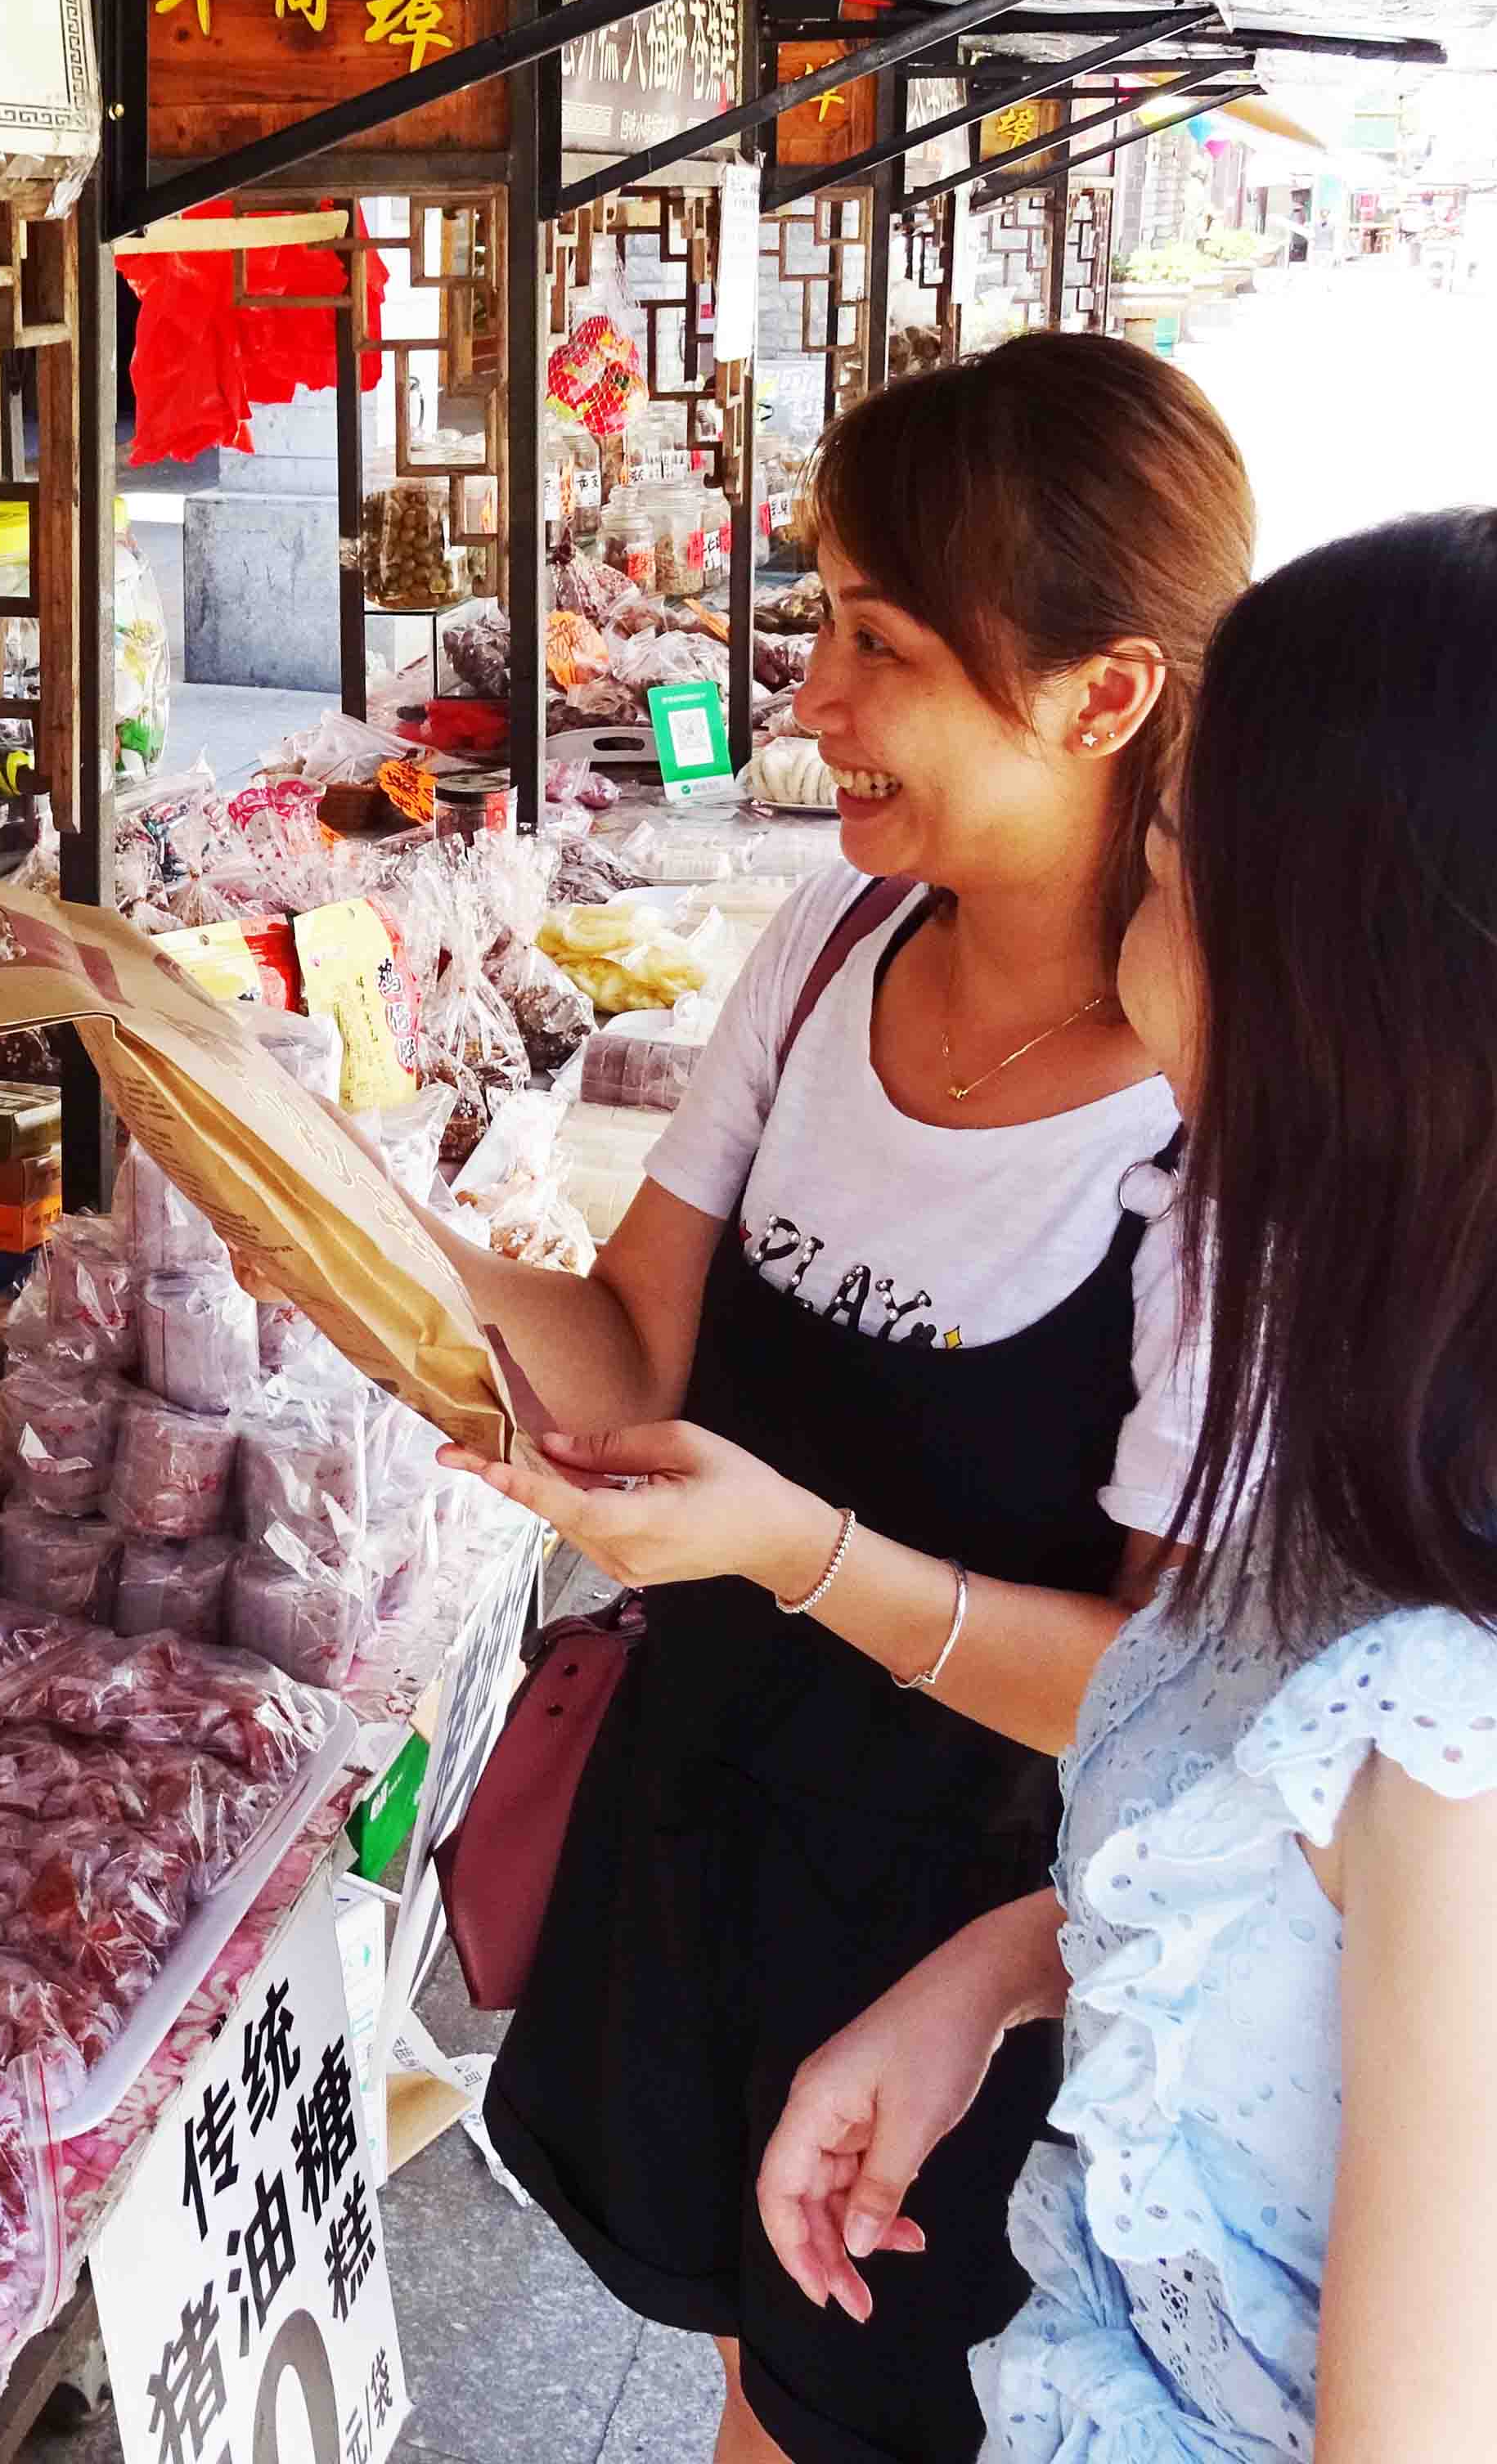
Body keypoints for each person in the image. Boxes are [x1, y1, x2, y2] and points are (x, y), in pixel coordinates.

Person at [757, 506, 1497, 2464]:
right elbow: (1307, 1868)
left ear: (1357, 1010)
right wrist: (994, 1978)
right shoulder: (1451, 1426)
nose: (1135, 953)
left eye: (1163, 872)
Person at [424, 334, 1253, 2464]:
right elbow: (637, 1351)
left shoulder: (1227, 1144)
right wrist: (344, 1234)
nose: (802, 698)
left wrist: (794, 1551)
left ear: (1106, 695)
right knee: (748, 2399)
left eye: (879, 643)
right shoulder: (833, 937)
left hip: (974, 1965)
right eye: (820, 624)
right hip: (719, 1841)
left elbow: (1182, 1710)